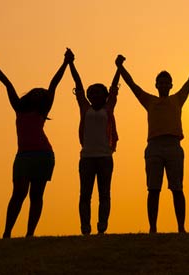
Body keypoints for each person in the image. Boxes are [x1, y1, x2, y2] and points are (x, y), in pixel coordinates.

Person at [117, 52, 189, 233]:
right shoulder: (150, 100)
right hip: (154, 147)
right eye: (161, 82)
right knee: (153, 189)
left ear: (171, 85)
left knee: (177, 189)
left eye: (167, 82)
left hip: (174, 146)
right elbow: (132, 85)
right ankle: (152, 228)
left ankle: (181, 227)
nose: (164, 85)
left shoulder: (177, 99)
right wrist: (120, 67)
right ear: (156, 85)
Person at [0, 49, 71, 238]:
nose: (38, 93)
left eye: (41, 93)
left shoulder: (42, 110)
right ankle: (7, 232)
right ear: (29, 96)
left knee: (36, 195)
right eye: (35, 92)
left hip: (43, 155)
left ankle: (30, 234)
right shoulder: (19, 108)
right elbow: (7, 84)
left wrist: (66, 63)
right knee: (18, 194)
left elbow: (54, 84)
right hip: (24, 156)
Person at [68, 50, 122, 235]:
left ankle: (102, 226)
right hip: (87, 158)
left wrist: (119, 68)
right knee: (85, 194)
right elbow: (78, 85)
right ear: (89, 96)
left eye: (99, 93)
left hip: (105, 157)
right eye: (93, 93)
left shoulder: (108, 108)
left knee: (104, 194)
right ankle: (85, 227)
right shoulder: (85, 108)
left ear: (104, 96)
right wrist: (70, 64)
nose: (95, 95)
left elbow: (114, 88)